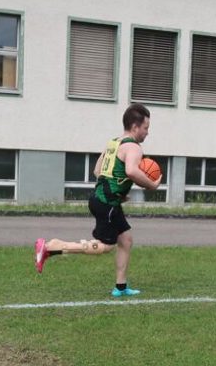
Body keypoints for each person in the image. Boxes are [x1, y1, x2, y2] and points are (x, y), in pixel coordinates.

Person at [35, 103, 161, 297]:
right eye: (146, 128)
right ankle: (52, 248)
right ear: (135, 127)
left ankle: (121, 287)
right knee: (105, 246)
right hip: (107, 204)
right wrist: (152, 185)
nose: (147, 133)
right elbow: (131, 171)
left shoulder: (113, 143)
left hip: (103, 199)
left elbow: (98, 170)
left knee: (126, 240)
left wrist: (118, 191)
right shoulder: (134, 147)